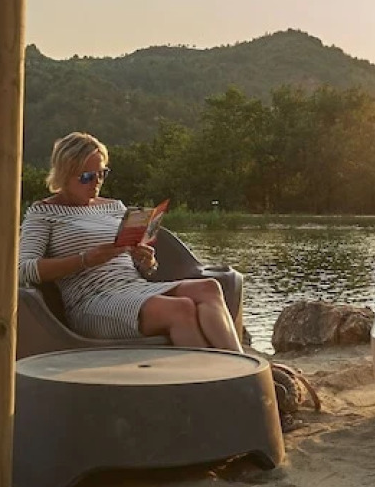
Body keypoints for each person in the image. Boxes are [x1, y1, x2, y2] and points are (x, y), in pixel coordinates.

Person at [18, 132, 242, 352]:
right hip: (92, 301)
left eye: (101, 174)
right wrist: (85, 260)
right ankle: (214, 373)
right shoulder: (44, 213)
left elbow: (141, 266)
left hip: (134, 287)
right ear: (65, 174)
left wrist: (146, 262)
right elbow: (23, 269)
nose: (96, 183)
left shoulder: (114, 207)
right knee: (181, 309)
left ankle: (239, 363)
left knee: (209, 287)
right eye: (87, 177)